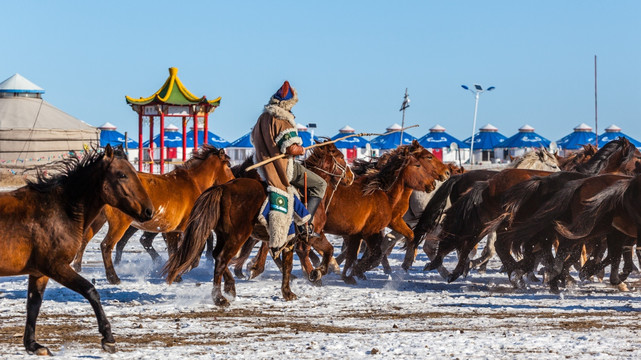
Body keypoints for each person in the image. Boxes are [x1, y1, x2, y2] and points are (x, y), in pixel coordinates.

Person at [251, 81, 327, 254]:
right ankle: (305, 225)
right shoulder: (282, 120)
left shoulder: (262, 118)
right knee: (320, 184)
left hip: (264, 169)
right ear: (287, 103)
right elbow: (291, 147)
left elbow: (254, 140)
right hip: (282, 168)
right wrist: (299, 148)